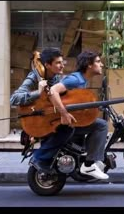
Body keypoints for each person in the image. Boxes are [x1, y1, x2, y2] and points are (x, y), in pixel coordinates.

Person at [47, 50, 109, 180]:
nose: (101, 64)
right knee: (101, 126)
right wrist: (64, 114)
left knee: (95, 124)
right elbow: (53, 91)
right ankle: (89, 164)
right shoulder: (75, 79)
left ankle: (87, 157)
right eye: (98, 61)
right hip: (64, 123)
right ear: (89, 65)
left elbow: (74, 102)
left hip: (72, 121)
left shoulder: (82, 80)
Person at [10, 47, 74, 172]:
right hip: (37, 120)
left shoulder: (55, 78)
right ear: (47, 65)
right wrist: (37, 93)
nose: (62, 66)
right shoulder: (34, 76)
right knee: (67, 130)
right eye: (58, 63)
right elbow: (14, 99)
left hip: (49, 117)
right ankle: (39, 158)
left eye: (62, 62)